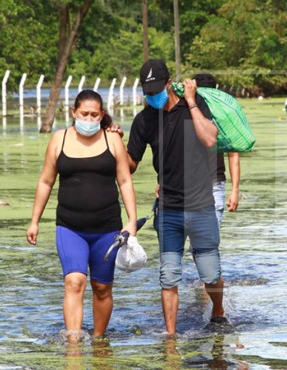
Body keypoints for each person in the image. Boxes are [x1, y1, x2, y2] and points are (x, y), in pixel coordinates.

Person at [26, 90, 137, 343]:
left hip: (107, 229)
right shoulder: (59, 140)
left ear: (102, 115)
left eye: (94, 114)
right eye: (84, 113)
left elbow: (125, 180)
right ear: (73, 112)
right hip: (70, 227)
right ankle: (74, 345)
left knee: (102, 288)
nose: (88, 118)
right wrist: (34, 221)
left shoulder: (112, 140)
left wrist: (132, 220)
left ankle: (99, 342)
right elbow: (45, 181)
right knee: (74, 282)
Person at [126, 59, 225, 336]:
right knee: (168, 276)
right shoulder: (144, 119)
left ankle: (218, 311)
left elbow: (209, 139)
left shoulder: (191, 107)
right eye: (147, 92)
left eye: (157, 89)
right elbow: (130, 165)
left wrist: (192, 102)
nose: (152, 96)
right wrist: (114, 142)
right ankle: (170, 335)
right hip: (168, 210)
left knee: (210, 273)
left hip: (202, 206)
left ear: (169, 83)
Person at [193, 73, 241, 226]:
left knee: (209, 243)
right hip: (188, 186)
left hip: (215, 185)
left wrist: (235, 190)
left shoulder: (223, 118)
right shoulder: (186, 113)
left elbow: (233, 154)